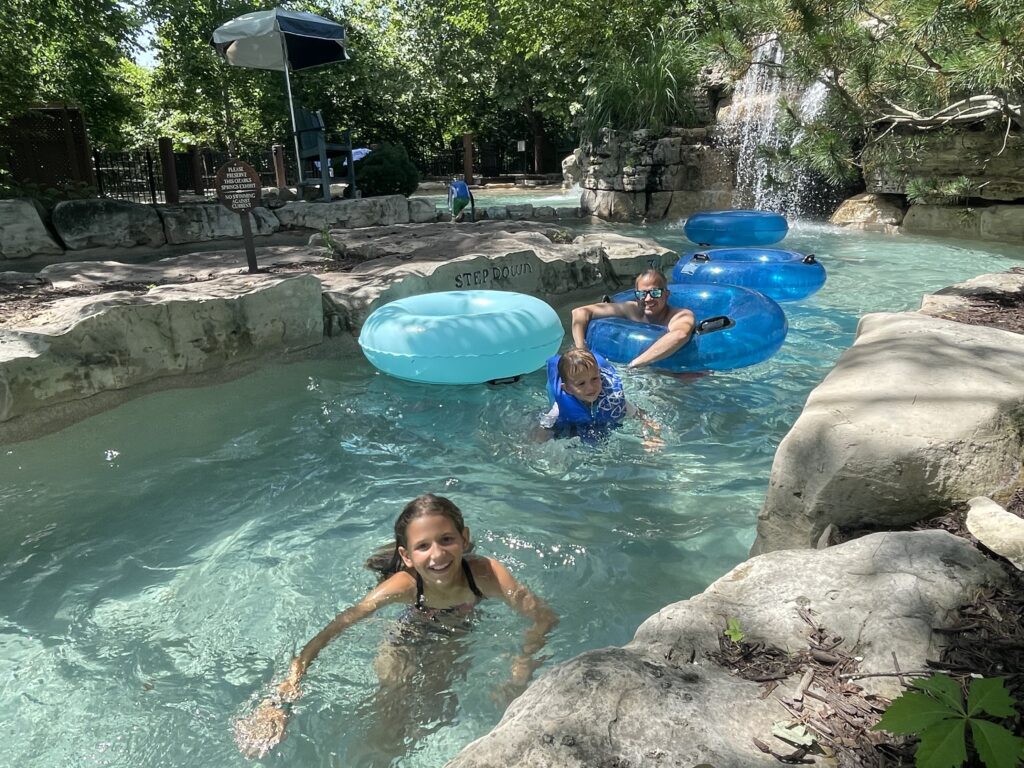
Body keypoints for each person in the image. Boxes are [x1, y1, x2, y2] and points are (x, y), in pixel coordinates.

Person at [233, 493, 558, 759]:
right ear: (405, 555)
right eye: (423, 546)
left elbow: (544, 617)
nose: (438, 554)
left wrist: (522, 666)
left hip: (457, 632)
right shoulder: (404, 585)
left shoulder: (486, 574)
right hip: (406, 634)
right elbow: (336, 628)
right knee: (393, 699)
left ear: (464, 538)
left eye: (446, 539)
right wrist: (283, 693)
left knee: (436, 705)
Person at [571, 268, 695, 369]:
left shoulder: (680, 315)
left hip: (670, 368)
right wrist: (581, 350)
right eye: (642, 294)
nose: (648, 299)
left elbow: (680, 335)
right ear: (636, 296)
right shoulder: (631, 309)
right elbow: (579, 312)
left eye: (655, 293)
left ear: (666, 295)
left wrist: (634, 365)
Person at [539, 348, 663, 449]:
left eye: (595, 379)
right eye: (581, 384)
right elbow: (543, 428)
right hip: (573, 427)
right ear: (568, 389)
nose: (590, 387)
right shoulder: (559, 407)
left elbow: (641, 415)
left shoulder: (612, 398)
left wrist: (649, 436)